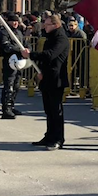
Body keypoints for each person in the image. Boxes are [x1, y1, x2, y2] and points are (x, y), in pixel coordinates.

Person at [29, 14, 70, 149]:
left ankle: (58, 138)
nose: (44, 27)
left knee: (56, 110)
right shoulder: (50, 38)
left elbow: (50, 55)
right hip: (47, 78)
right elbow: (45, 60)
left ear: (56, 25)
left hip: (56, 79)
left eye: (47, 25)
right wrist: (41, 71)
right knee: (49, 110)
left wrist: (31, 55)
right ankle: (49, 136)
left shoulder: (61, 39)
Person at [0, 13, 26, 119]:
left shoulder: (19, 32)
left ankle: (12, 105)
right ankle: (6, 109)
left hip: (20, 61)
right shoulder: (4, 32)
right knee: (9, 85)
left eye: (17, 21)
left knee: (16, 85)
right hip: (9, 61)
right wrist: (20, 50)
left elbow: (25, 43)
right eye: (13, 21)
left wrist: (28, 50)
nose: (15, 23)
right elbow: (6, 46)